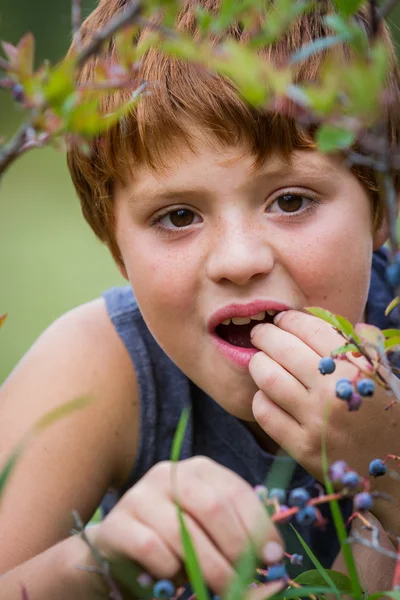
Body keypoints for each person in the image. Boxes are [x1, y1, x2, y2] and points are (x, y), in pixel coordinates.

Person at [1, 0, 400, 597]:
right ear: (117, 248)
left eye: (290, 200)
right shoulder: (98, 367)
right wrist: (102, 563)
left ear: (381, 205)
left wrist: (388, 466)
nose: (238, 261)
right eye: (178, 215)